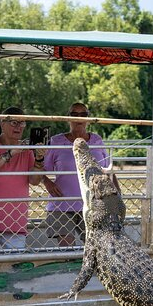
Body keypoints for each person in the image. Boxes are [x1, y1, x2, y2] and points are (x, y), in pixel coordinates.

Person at [41, 102, 118, 246]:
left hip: (93, 204)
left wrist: (116, 194)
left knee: (94, 246)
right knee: (66, 249)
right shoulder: (56, 141)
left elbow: (107, 169)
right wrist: (47, 182)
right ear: (68, 118)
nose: (79, 118)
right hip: (62, 204)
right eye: (74, 115)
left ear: (88, 119)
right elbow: (41, 167)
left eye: (83, 115)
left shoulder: (97, 140)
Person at [0, 106, 44, 250]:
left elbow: (34, 181)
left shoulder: (27, 151)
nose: (19, 127)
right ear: (2, 123)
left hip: (15, 222)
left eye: (22, 123)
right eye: (14, 122)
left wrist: (39, 159)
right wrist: (11, 152)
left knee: (15, 265)